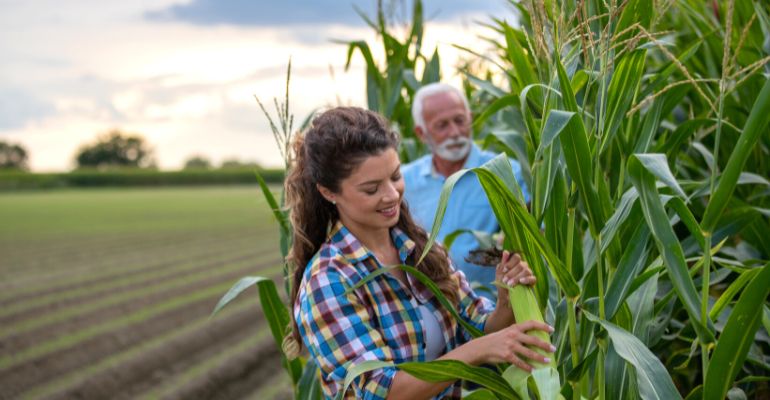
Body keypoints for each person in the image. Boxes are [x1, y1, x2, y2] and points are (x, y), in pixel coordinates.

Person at [286, 107, 553, 399]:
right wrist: (477, 351)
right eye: (371, 189)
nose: (392, 195)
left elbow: (476, 325)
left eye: (395, 176)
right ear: (329, 192)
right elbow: (380, 392)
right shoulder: (328, 281)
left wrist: (505, 302)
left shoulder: (420, 249)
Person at [402, 83, 529, 297]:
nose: (454, 132)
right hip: (429, 306)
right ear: (421, 133)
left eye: (460, 120)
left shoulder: (505, 173)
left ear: (470, 118)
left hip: (492, 305)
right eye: (442, 125)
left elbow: (532, 240)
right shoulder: (404, 182)